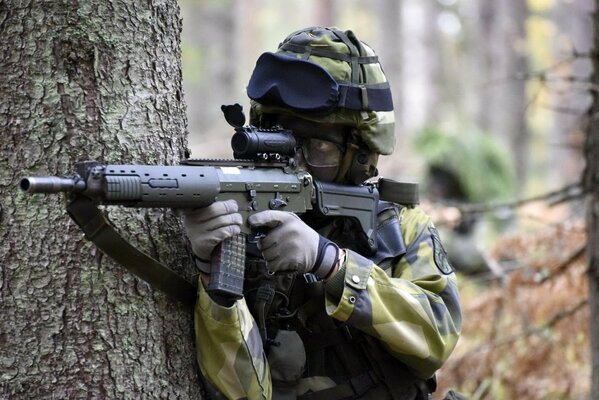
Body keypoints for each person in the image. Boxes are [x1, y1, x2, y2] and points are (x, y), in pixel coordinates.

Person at [183, 27, 462, 400]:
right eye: (281, 141)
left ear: (360, 153)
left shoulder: (398, 228)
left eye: (320, 146)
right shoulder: (244, 230)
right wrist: (212, 277)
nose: (298, 162)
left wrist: (330, 263)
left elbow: (436, 339)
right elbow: (239, 393)